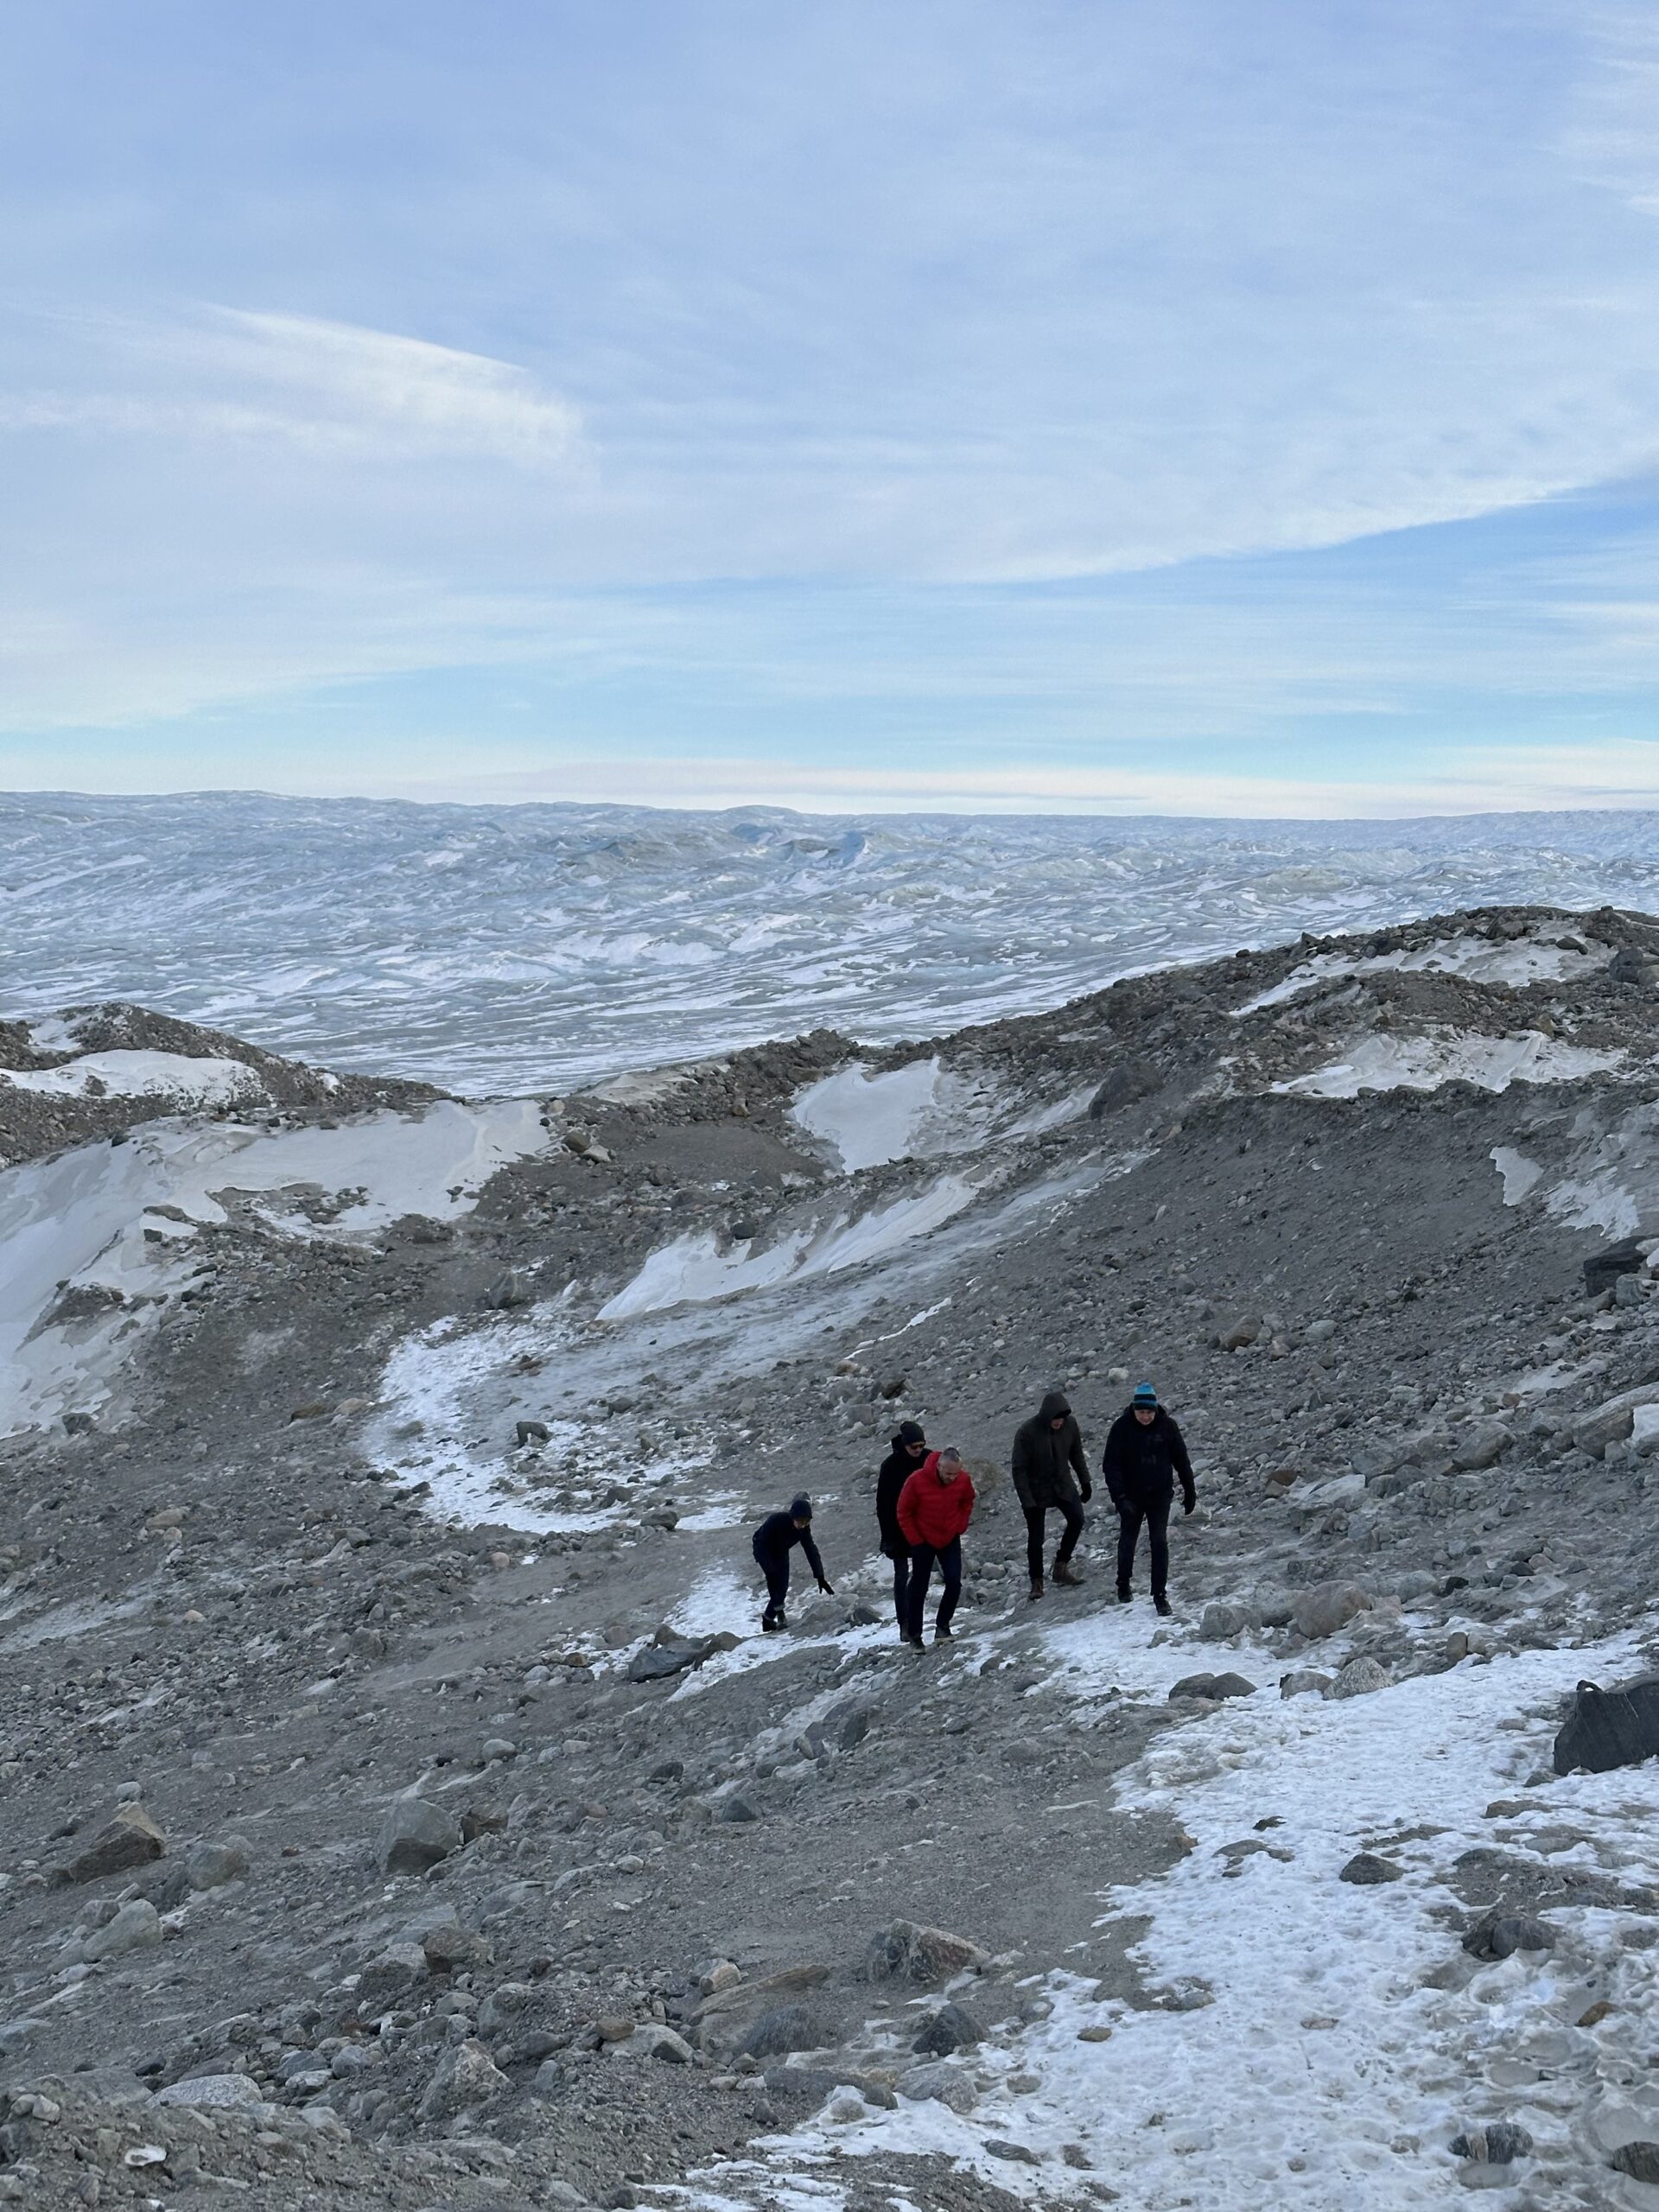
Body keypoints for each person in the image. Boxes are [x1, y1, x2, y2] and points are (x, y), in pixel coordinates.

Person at [1102, 1382, 1195, 1618]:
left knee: (1159, 1542)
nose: (1145, 1416)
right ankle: (1123, 1583)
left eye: (1149, 1412)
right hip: (1131, 1496)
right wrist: (1120, 1498)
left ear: (1155, 1410)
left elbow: (1181, 1460)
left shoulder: (1168, 1427)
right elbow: (1110, 1465)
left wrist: (1190, 1490)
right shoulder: (1121, 1428)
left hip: (1159, 1495)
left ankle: (1159, 1595)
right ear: (1134, 1409)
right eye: (1141, 1412)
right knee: (1128, 1539)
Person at [1011, 1389, 1091, 1601]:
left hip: (1063, 1483)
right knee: (1036, 1538)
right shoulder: (1026, 1432)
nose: (1059, 1423)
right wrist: (1026, 1500)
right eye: (1056, 1419)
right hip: (1036, 1488)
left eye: (1062, 1419)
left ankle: (1061, 1567)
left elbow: (1076, 1454)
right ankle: (1036, 1581)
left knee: (1077, 1519)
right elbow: (1019, 1469)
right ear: (1047, 1416)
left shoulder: (1070, 1425)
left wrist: (1085, 1481)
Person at [896, 1446, 976, 1648]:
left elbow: (968, 1501)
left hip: (949, 1536)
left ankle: (943, 1627)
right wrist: (915, 1540)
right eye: (948, 1473)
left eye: (956, 1474)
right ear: (938, 1466)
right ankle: (915, 1636)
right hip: (923, 1539)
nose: (952, 1478)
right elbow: (903, 1511)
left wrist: (961, 1524)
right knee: (919, 1587)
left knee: (954, 1581)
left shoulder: (963, 1480)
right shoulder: (916, 1480)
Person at [750, 1493, 834, 1631]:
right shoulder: (776, 1520)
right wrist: (769, 1569)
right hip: (764, 1549)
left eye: (806, 1522)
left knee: (783, 1586)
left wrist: (820, 1576)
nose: (803, 1525)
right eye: (800, 1521)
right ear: (793, 1517)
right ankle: (776, 1615)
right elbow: (761, 1545)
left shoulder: (804, 1529)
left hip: (781, 1551)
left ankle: (768, 1617)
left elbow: (811, 1550)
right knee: (774, 1581)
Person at [876, 1421, 929, 1640]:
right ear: (904, 1445)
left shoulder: (929, 1459)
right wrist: (888, 1536)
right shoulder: (890, 1466)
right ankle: (904, 1623)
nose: (918, 1450)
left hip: (923, 1526)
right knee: (901, 1575)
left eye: (921, 1445)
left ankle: (917, 1620)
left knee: (920, 1575)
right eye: (913, 1447)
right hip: (897, 1529)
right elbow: (883, 1504)